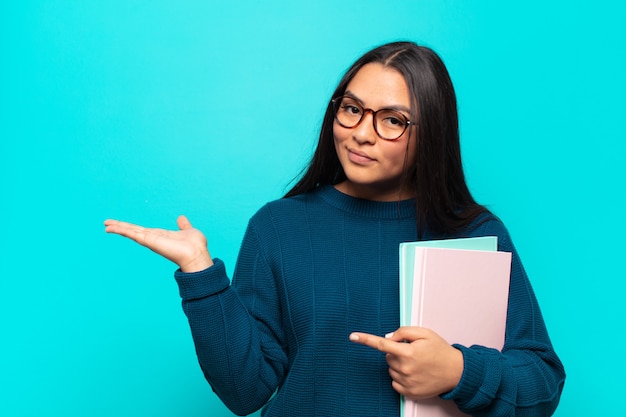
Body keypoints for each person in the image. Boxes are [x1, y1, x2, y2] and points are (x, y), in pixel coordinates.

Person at [105, 41, 565, 416]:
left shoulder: (472, 233)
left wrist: (458, 371)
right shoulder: (278, 227)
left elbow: (542, 383)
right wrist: (200, 274)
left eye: (391, 121)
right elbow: (244, 393)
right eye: (352, 109)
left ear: (432, 133)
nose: (362, 133)